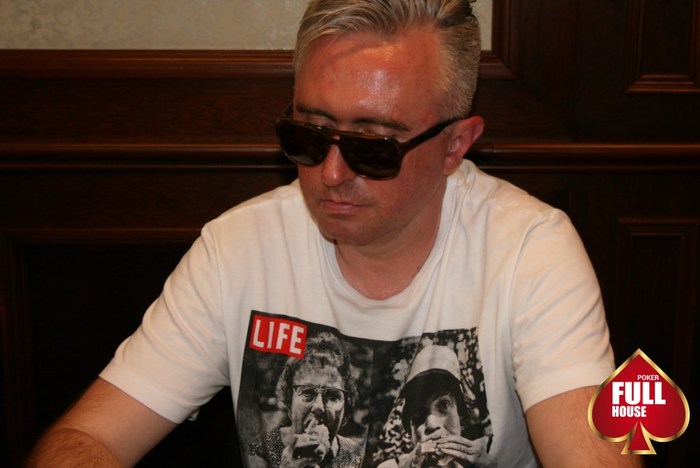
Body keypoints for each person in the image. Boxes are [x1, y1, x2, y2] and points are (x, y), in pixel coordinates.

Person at [28, 1, 641, 466]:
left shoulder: (531, 249)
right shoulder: (238, 247)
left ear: (455, 145)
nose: (331, 174)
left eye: (373, 148)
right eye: (309, 135)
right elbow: (86, 436)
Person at [248, 332, 364, 467]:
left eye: (332, 395)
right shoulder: (262, 450)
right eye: (308, 392)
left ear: (345, 408)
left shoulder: (354, 454)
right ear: (289, 401)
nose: (319, 407)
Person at [377, 345, 496, 468]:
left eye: (444, 405)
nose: (432, 425)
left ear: (460, 414)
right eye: (419, 414)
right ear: (410, 429)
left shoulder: (489, 456)